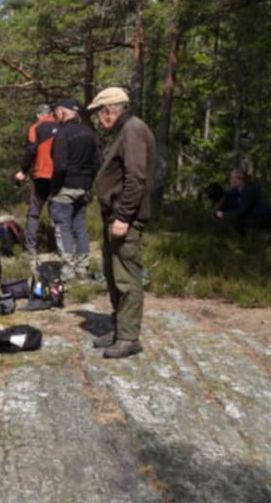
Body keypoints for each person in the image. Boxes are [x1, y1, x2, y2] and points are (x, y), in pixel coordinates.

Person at [88, 86, 155, 360]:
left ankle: (128, 337)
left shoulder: (133, 130)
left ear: (108, 111)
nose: (98, 120)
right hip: (115, 216)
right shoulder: (125, 131)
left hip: (124, 218)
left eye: (98, 114)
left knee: (126, 278)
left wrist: (124, 216)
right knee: (114, 275)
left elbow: (135, 178)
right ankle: (120, 329)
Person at [49, 97, 98, 281]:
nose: (55, 117)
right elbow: (96, 162)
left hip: (66, 186)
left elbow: (60, 165)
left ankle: (67, 271)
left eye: (55, 113)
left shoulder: (62, 133)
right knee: (80, 228)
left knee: (63, 228)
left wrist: (55, 188)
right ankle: (82, 268)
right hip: (84, 187)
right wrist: (89, 183)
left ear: (62, 112)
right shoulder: (88, 133)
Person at [13, 103, 60, 269]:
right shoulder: (61, 126)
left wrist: (23, 171)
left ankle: (31, 249)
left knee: (34, 213)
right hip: (59, 174)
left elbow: (32, 149)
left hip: (41, 173)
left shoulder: (36, 128)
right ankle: (57, 248)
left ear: (38, 115)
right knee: (57, 212)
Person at [214, 169, 271, 236]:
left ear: (239, 180)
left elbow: (242, 211)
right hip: (253, 215)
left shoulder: (249, 190)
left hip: (262, 217)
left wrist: (224, 215)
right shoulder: (237, 190)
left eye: (232, 178)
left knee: (234, 218)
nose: (230, 180)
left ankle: (255, 236)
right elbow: (225, 194)